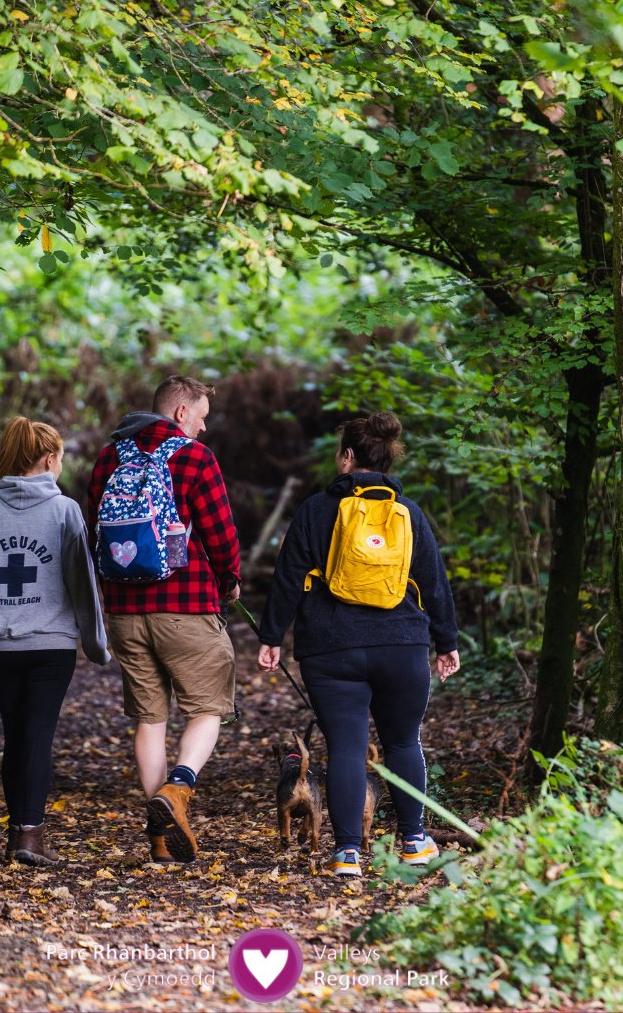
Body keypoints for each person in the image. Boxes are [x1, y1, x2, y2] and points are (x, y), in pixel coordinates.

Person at [256, 411, 461, 877]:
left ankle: (347, 853)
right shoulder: (408, 513)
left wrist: (272, 637)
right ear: (389, 458)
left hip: (330, 648)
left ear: (347, 456)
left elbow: (288, 577)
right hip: (402, 643)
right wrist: (445, 640)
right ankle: (413, 841)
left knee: (346, 747)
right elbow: (433, 580)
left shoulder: (314, 509)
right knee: (404, 742)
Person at [84, 376, 241, 866]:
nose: (204, 426)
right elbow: (218, 530)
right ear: (179, 413)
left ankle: (157, 838)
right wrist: (230, 578)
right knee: (208, 707)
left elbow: (96, 525)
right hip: (187, 604)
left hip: (126, 611)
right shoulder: (195, 458)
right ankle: (176, 792)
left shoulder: (111, 457)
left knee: (150, 719)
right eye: (201, 416)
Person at [0, 416, 109, 867]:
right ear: (49, 458)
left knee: (16, 735)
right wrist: (95, 641)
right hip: (50, 643)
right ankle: (30, 837)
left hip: (0, 642)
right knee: (38, 736)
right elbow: (82, 582)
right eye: (60, 458)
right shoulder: (64, 510)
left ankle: (16, 833)